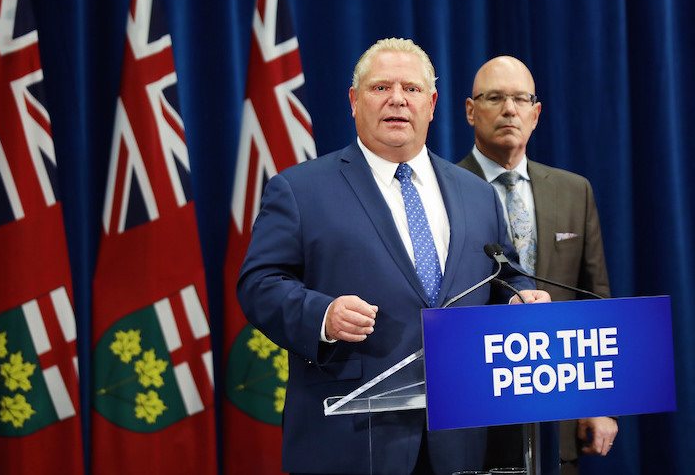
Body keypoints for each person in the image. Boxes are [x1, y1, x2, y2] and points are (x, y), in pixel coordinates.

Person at [237, 38, 551, 475]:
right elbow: (259, 283)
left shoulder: (476, 193)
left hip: (459, 436)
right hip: (351, 440)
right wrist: (322, 314)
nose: (397, 100)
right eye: (380, 88)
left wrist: (521, 296)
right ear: (354, 100)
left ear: (433, 103)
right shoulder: (300, 189)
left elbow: (506, 275)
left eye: (412, 89)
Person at [458, 55, 618, 474]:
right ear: (471, 111)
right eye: (494, 98)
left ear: (535, 112)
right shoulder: (443, 192)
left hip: (558, 410)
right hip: (476, 408)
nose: (509, 109)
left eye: (519, 99)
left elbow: (594, 300)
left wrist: (597, 403)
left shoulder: (573, 191)